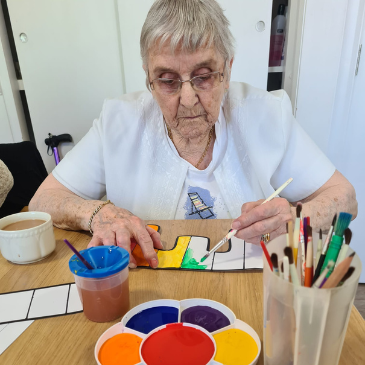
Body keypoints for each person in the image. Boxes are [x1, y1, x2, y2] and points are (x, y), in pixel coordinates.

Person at [29, 0, 357, 269]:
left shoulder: (265, 113)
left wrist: (297, 217)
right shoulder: (119, 121)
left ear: (227, 70)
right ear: (148, 78)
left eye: (203, 76)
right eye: (168, 80)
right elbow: (42, 202)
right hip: (147, 292)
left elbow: (345, 197)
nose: (187, 100)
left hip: (254, 290)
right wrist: (98, 214)